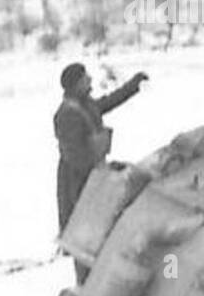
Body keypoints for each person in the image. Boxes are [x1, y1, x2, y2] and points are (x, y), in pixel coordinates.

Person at [54, 63, 148, 281]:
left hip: (94, 176)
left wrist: (133, 85)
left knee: (100, 232)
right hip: (78, 182)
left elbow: (108, 102)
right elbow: (76, 157)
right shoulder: (67, 115)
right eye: (85, 79)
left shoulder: (85, 106)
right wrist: (102, 170)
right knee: (84, 234)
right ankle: (85, 287)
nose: (90, 81)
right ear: (75, 84)